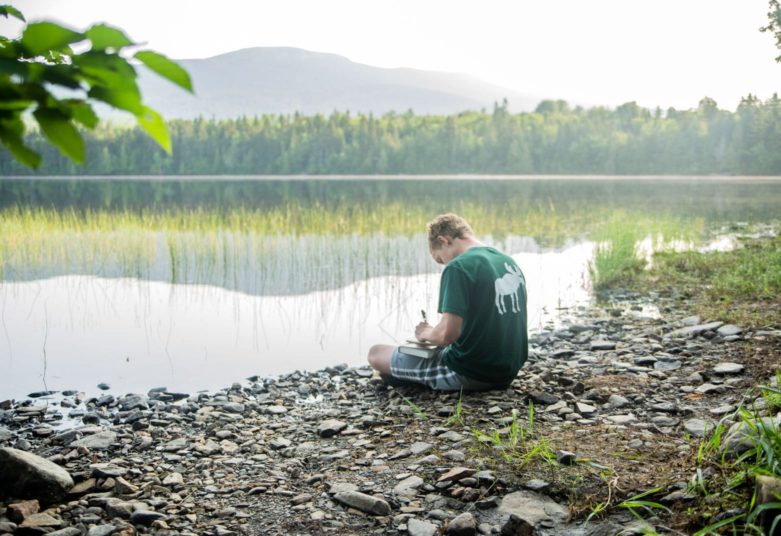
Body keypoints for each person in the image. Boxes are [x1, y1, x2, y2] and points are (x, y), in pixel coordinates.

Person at [367, 213, 528, 391]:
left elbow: (447, 336)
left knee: (376, 353)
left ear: (444, 240)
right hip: (508, 371)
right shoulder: (506, 261)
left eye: (440, 259)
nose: (444, 265)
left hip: (471, 372)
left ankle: (415, 379)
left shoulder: (458, 266)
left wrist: (426, 333)